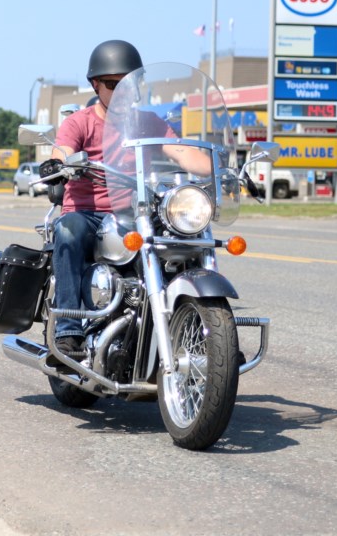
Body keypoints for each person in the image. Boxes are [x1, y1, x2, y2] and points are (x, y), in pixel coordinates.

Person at [39, 40, 210, 362]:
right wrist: (60, 163)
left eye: (128, 83)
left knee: (190, 235)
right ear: (95, 84)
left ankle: (209, 336)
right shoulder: (79, 122)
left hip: (137, 212)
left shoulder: (149, 122)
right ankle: (68, 329)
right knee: (68, 231)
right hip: (88, 212)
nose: (122, 91)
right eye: (112, 84)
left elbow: (182, 152)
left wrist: (223, 168)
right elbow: (61, 150)